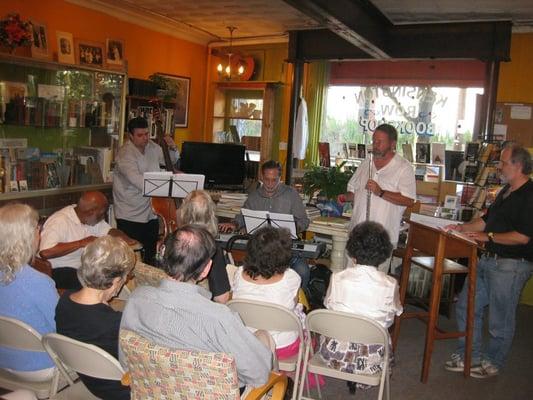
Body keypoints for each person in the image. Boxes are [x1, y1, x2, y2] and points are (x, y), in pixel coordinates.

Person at [120, 225, 272, 390]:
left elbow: (126, 361)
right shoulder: (220, 318)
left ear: (164, 257)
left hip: (153, 392)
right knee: (264, 339)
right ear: (206, 269)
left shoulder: (136, 299)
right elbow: (259, 375)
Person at [444, 143, 533, 378]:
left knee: (500, 318)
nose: (499, 167)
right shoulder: (505, 191)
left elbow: (523, 237)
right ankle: (468, 355)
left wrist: (488, 237)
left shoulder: (530, 195)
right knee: (466, 306)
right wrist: (461, 228)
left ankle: (494, 360)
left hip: (511, 265)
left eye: (503, 162)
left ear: (519, 166)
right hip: (487, 260)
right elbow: (485, 222)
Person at [320, 221, 402, 391]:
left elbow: (329, 305)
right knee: (384, 330)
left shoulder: (337, 277)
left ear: (352, 250)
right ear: (383, 253)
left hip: (334, 355)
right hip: (371, 360)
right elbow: (390, 319)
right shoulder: (390, 284)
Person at [55, 235, 135, 400]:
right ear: (116, 280)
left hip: (91, 383)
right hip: (122, 391)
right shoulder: (114, 324)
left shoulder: (63, 303)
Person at [219, 160, 311, 289]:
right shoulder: (254, 196)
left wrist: (294, 229)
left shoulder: (291, 195)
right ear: (261, 177)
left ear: (280, 178)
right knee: (240, 271)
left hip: (283, 249)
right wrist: (234, 224)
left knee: (303, 271)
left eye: (274, 180)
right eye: (267, 179)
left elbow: (304, 221)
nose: (270, 184)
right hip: (259, 251)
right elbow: (242, 216)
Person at [342, 123, 416, 272]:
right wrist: (346, 197)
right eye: (374, 141)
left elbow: (409, 200)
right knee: (348, 278)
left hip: (382, 239)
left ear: (392, 144)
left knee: (376, 286)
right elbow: (355, 192)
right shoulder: (366, 163)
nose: (375, 145)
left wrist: (381, 192)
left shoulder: (404, 168)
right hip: (358, 234)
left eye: (379, 142)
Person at [0, 203, 58, 382]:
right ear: (28, 237)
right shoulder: (39, 282)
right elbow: (62, 330)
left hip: (3, 361)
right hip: (40, 367)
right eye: (37, 229)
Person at [113, 116, 179, 265]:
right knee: (131, 258)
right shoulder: (125, 154)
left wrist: (172, 148)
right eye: (140, 135)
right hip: (130, 214)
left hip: (151, 212)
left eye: (147, 134)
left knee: (149, 255)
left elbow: (171, 161)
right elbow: (138, 181)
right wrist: (164, 181)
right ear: (130, 136)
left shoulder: (152, 147)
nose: (144, 138)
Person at [39, 191, 136, 290]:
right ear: (90, 211)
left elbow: (110, 230)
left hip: (82, 268)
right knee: (90, 281)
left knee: (109, 272)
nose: (103, 217)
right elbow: (45, 252)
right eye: (101, 214)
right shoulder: (60, 221)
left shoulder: (91, 218)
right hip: (57, 270)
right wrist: (80, 243)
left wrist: (125, 239)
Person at [178, 190, 231, 303]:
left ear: (184, 212)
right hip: (200, 307)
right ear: (211, 214)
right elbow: (222, 298)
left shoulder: (170, 241)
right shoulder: (212, 249)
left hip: (172, 300)